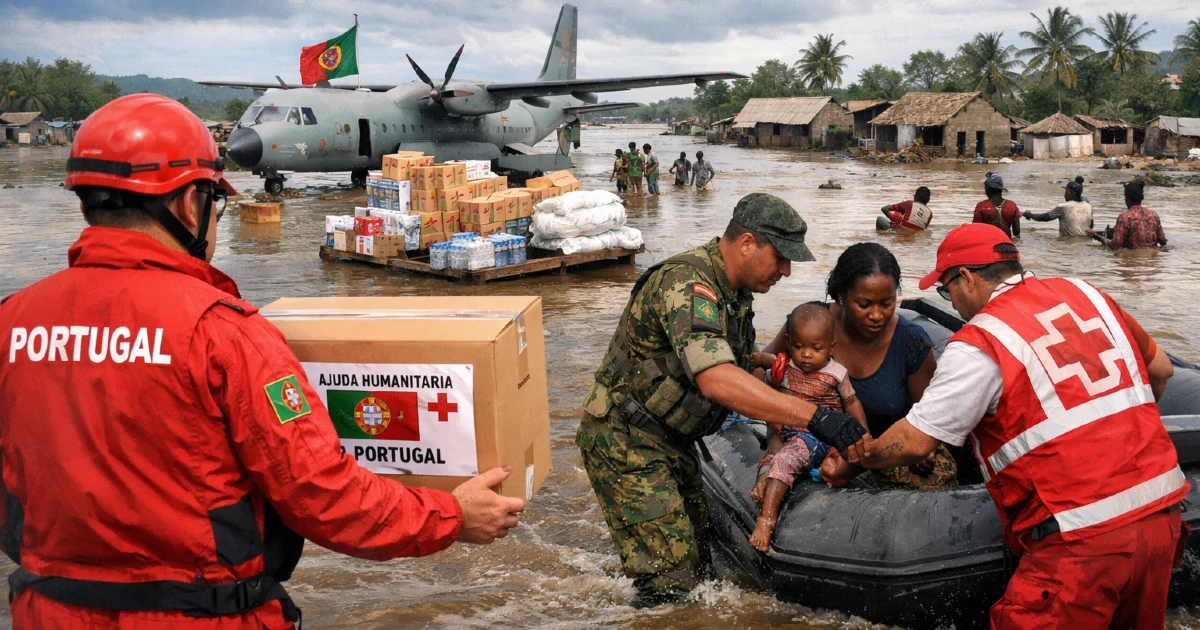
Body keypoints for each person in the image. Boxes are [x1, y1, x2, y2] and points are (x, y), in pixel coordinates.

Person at [0, 94, 525, 629]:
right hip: (199, 618)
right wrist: (451, 515)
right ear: (189, 206)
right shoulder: (223, 333)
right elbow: (324, 497)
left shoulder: (11, 321)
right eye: (215, 202)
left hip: (45, 614)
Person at [821, 223, 1189, 628]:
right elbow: (1160, 369)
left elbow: (915, 442)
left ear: (965, 278)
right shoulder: (1087, 293)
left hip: (1079, 538)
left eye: (946, 290)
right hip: (1162, 512)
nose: (952, 303)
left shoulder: (981, 341)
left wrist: (856, 461)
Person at [576, 194, 870, 607]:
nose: (786, 271)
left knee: (699, 571)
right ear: (747, 243)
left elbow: (740, 364)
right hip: (627, 439)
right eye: (781, 258)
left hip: (673, 440)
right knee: (670, 584)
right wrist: (817, 417)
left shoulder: (734, 294)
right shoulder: (687, 284)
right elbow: (716, 378)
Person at [763, 243, 956, 490]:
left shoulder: (911, 342)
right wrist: (773, 435)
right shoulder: (810, 324)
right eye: (864, 305)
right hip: (808, 443)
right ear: (842, 295)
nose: (876, 315)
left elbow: (929, 420)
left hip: (880, 452)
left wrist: (924, 450)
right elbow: (760, 373)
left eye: (886, 303)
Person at [747, 304, 867, 552]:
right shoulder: (785, 366)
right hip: (787, 431)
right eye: (799, 347)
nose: (806, 355)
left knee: (784, 460)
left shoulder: (835, 373)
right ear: (789, 343)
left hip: (818, 436)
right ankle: (763, 482)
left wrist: (863, 434)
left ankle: (767, 519)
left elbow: (852, 402)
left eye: (816, 348)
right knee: (771, 454)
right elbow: (768, 367)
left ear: (831, 347)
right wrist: (756, 360)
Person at [1090, 180, 1167, 250]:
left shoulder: (1125, 217)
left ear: (1127, 199)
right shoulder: (1154, 215)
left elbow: (1116, 245)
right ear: (1141, 198)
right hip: (1152, 258)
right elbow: (1162, 241)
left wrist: (1099, 238)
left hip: (1132, 258)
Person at [1023, 176, 1092, 237]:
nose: (1064, 195)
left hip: (1068, 243)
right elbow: (1090, 225)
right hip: (1084, 241)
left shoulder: (1064, 207)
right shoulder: (1088, 206)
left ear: (1070, 192)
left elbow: (1044, 217)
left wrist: (1029, 214)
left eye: (1066, 192)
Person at [973, 172, 1020, 238]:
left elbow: (976, 230)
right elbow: (1017, 233)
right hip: (1006, 241)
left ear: (987, 188)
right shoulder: (1012, 205)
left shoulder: (981, 206)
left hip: (988, 241)